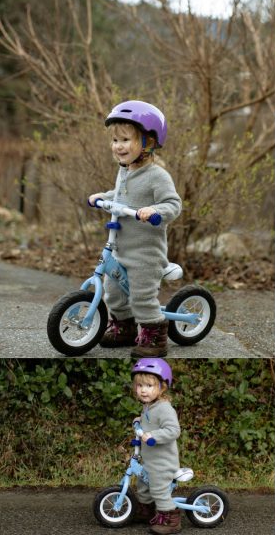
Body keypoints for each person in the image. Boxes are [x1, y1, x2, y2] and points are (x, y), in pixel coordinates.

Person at [87, 101, 182, 358]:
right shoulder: (125, 172)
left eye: (125, 139)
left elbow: (173, 204)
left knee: (141, 296)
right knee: (113, 291)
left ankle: (154, 334)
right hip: (120, 247)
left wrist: (155, 211)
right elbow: (120, 197)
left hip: (145, 253)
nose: (118, 145)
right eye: (115, 140)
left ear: (148, 141)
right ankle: (123, 327)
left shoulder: (157, 176)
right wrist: (103, 196)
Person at [130, 358, 182, 534]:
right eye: (140, 386)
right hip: (150, 461)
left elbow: (173, 430)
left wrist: (152, 435)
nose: (144, 390)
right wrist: (139, 422)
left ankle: (171, 519)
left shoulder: (164, 408)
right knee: (143, 486)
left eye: (149, 385)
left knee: (159, 490)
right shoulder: (148, 406)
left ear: (162, 387)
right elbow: (148, 422)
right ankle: (147, 510)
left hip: (163, 463)